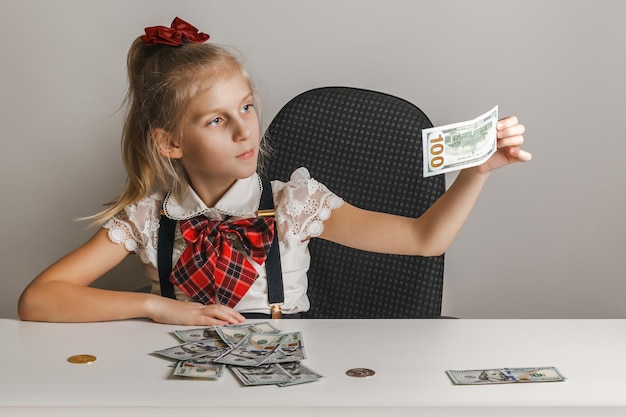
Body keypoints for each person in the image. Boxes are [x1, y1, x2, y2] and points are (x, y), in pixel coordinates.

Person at [17, 17, 531, 326]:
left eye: (246, 108)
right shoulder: (150, 219)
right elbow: (39, 300)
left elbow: (425, 239)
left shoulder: (293, 203)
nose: (245, 132)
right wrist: (157, 309)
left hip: (284, 376)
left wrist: (477, 173)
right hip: (176, 382)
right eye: (217, 120)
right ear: (171, 142)